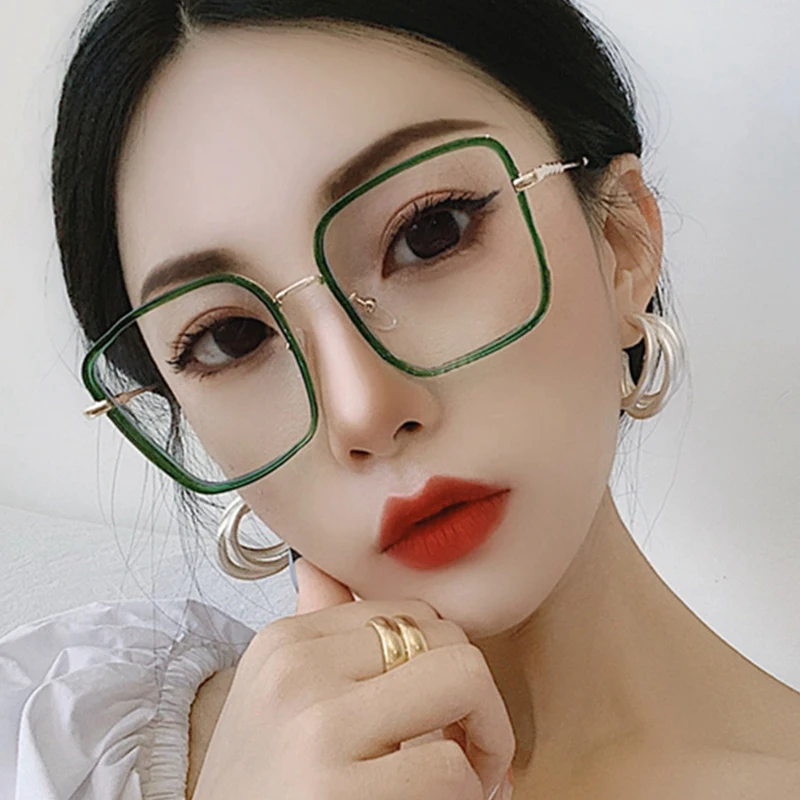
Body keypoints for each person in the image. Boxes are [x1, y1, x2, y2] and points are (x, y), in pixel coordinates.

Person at [1, 0, 799, 798]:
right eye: (232, 338)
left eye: (431, 233)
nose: (364, 411)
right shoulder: (63, 735)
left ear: (621, 243)